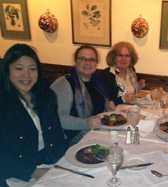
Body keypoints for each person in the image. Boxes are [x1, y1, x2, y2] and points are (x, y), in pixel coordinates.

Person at [0, 44, 67, 186]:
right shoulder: (3, 104)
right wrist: (35, 172)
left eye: (32, 69)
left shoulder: (46, 96)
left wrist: (64, 162)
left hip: (50, 163)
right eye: (19, 68)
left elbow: (56, 134)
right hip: (18, 173)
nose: (26, 75)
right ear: (7, 70)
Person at [50, 45, 114, 145]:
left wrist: (107, 109)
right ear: (76, 61)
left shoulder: (96, 82)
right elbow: (57, 117)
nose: (87, 63)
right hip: (72, 142)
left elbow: (98, 109)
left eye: (92, 59)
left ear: (96, 63)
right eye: (83, 59)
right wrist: (86, 123)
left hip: (96, 135)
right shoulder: (65, 83)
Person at [98, 41, 146, 105]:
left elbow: (131, 93)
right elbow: (105, 102)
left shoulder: (131, 71)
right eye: (120, 55)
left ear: (131, 58)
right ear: (114, 57)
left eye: (127, 56)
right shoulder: (106, 75)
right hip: (114, 112)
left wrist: (138, 87)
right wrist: (123, 99)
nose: (124, 59)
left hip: (131, 109)